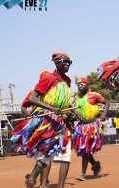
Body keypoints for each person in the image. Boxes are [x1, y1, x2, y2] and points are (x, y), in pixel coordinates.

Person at [10, 52, 75, 188]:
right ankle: (36, 180)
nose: (68, 64)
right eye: (65, 61)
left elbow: (63, 102)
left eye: (70, 61)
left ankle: (44, 182)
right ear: (57, 63)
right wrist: (51, 108)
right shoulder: (49, 78)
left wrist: (73, 111)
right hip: (47, 121)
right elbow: (32, 99)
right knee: (46, 153)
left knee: (60, 153)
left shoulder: (67, 81)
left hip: (61, 121)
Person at [73, 77, 110, 181]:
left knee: (85, 150)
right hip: (81, 126)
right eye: (78, 85)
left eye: (82, 84)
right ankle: (95, 165)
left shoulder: (94, 95)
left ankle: (82, 174)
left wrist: (103, 114)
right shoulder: (76, 98)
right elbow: (73, 109)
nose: (80, 86)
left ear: (87, 85)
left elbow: (107, 102)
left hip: (91, 126)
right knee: (84, 149)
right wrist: (75, 112)